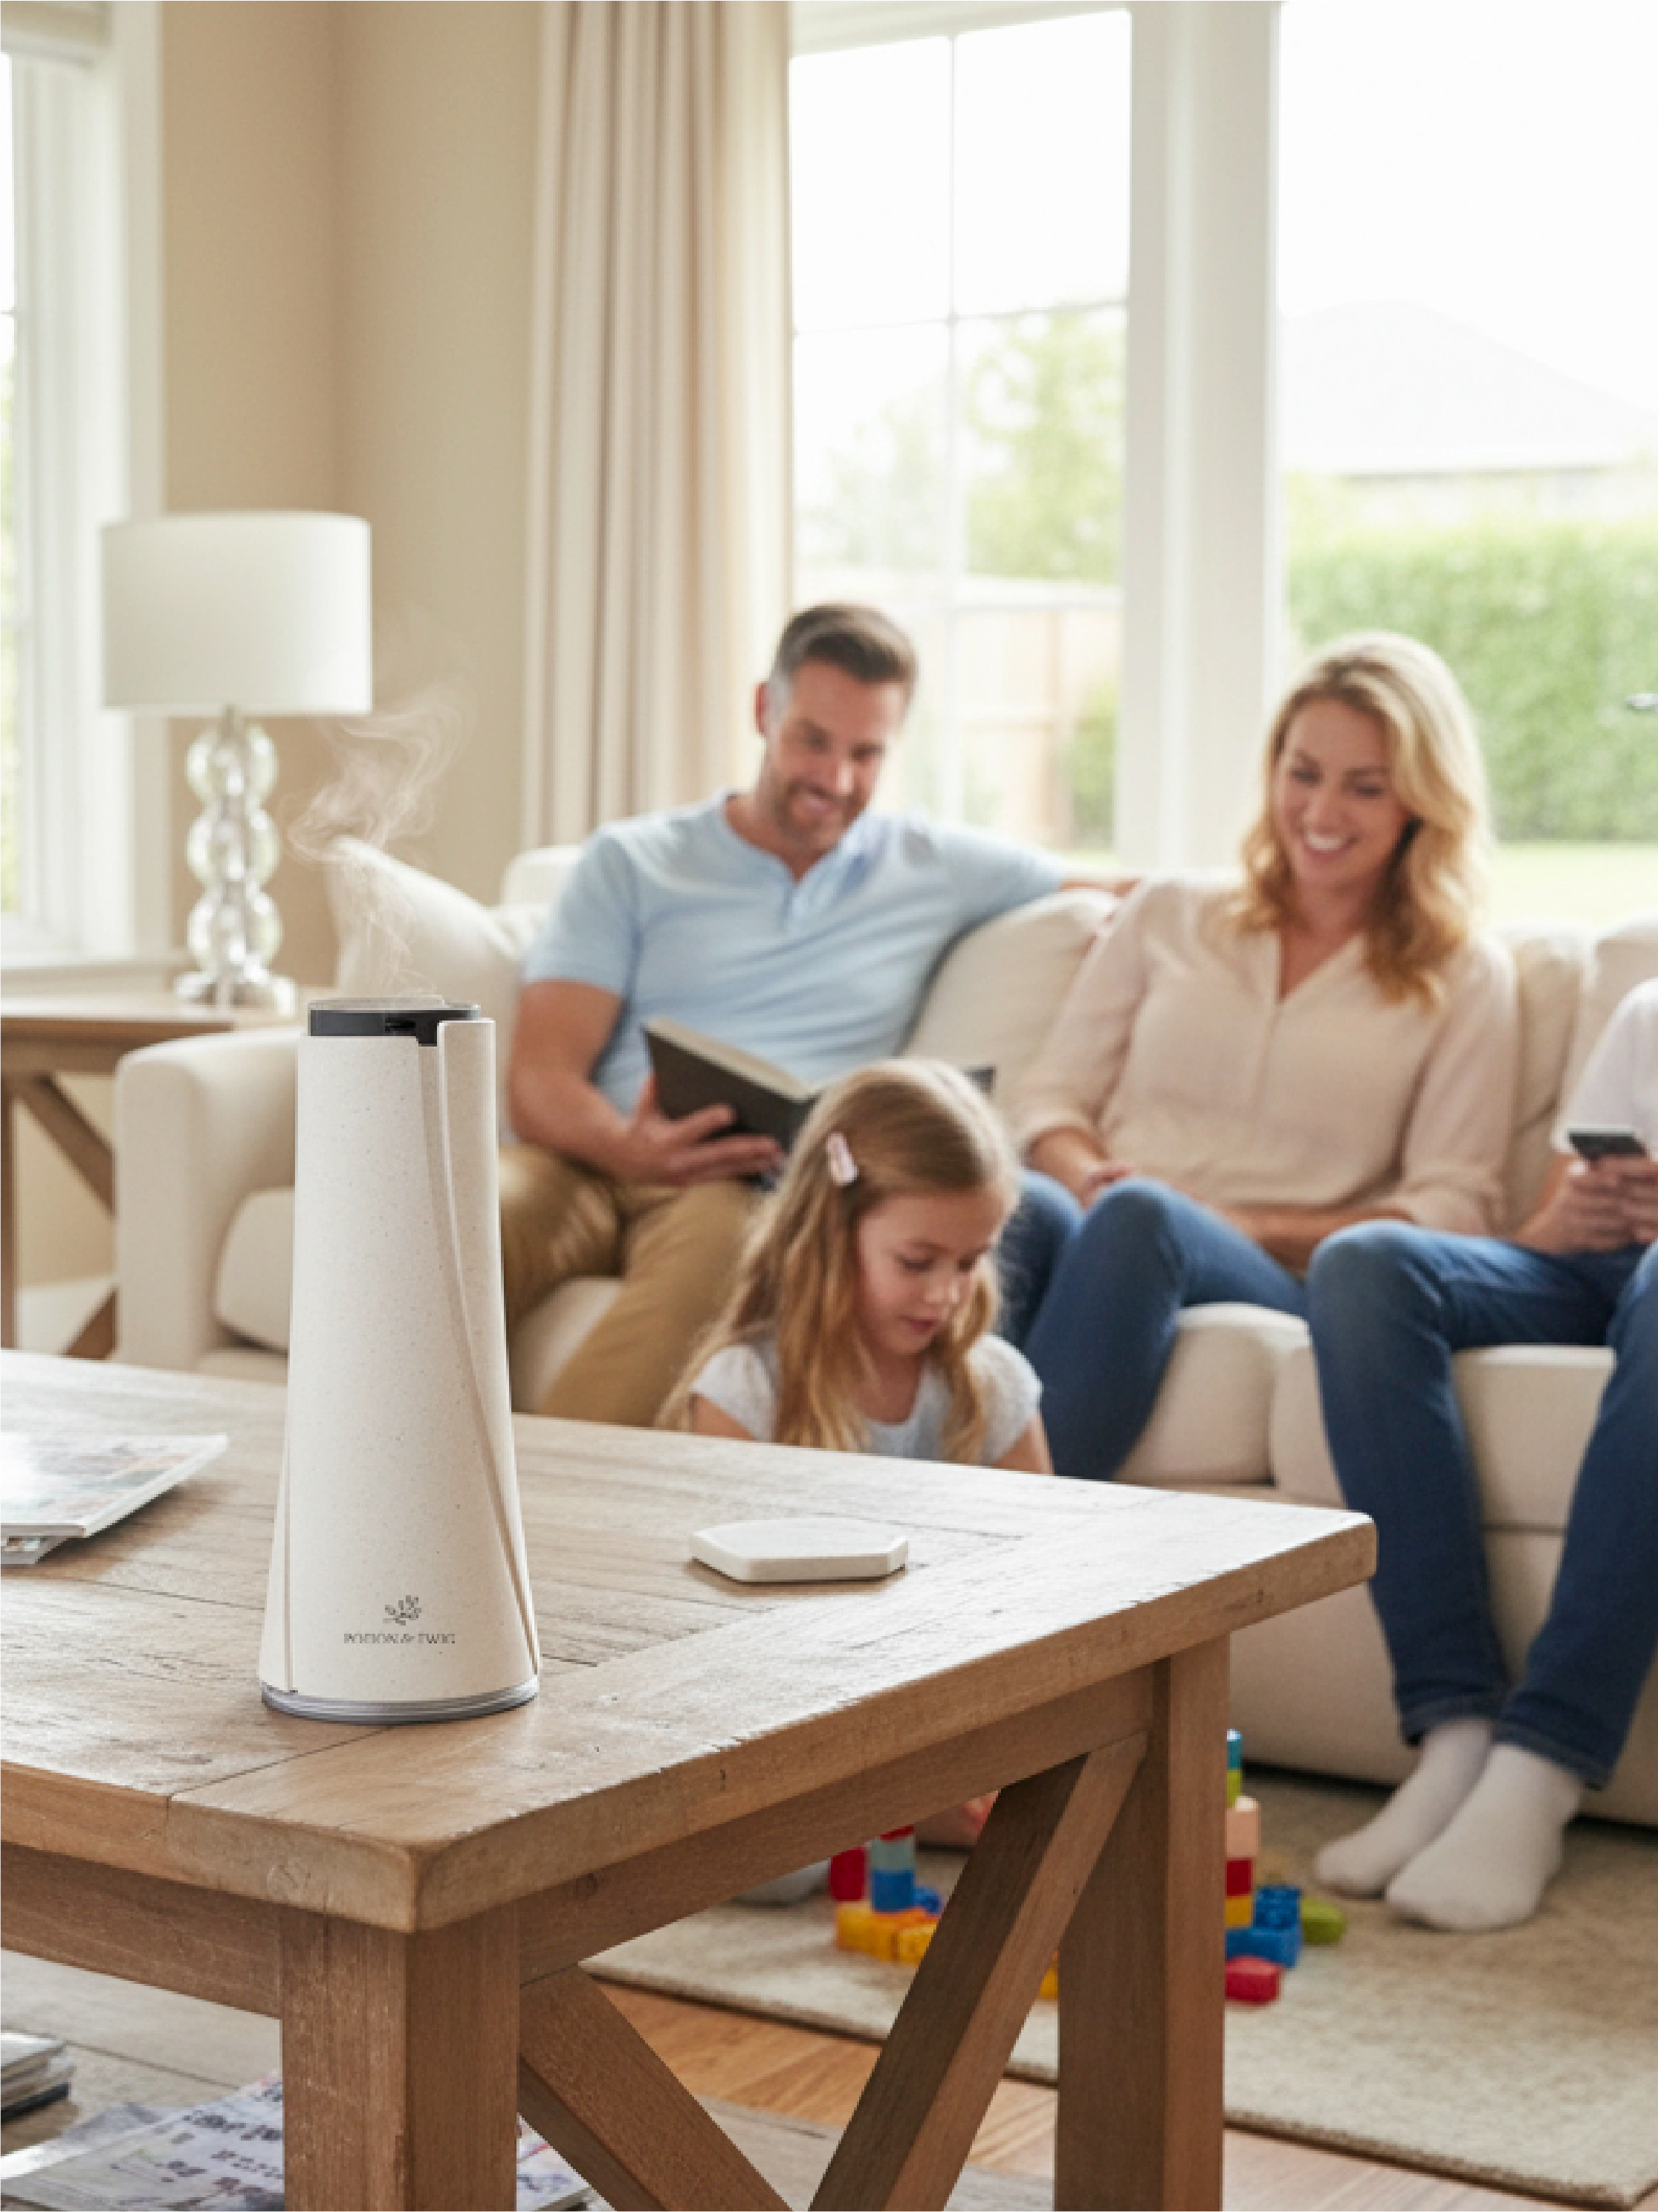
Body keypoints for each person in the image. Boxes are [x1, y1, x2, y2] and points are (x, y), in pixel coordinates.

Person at [502, 603, 1072, 1430]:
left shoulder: (934, 866)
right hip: (587, 1159)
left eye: (865, 754)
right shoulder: (634, 861)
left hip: (739, 1183)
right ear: (763, 711)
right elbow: (539, 1076)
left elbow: (1131, 899)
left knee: (725, 1252)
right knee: (446, 1213)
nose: (835, 780)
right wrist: (628, 1147)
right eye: (812, 740)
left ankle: (546, 1519)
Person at [1011, 631, 1518, 1481]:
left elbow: (1453, 1205)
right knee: (1014, 1203)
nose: (1320, 815)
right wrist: (1091, 1174)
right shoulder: (1169, 912)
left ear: (1420, 803)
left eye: (1364, 787)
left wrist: (1243, 1225)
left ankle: (1008, 1543)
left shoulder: (1462, 977)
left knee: (1145, 1219)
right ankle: (878, 1499)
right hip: (1110, 1214)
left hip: (1270, 1268)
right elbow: (1050, 1102)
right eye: (1303, 774)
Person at [1304, 987, 1658, 1931]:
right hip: (1601, 1272)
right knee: (1364, 1266)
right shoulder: (1647, 1011)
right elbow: (1547, 1225)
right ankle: (1454, 1731)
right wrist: (1573, 1219)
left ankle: (1541, 1765)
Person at [670, 1058, 1050, 1475]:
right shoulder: (748, 1392)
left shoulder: (996, 1387)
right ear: (833, 1236)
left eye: (968, 1262)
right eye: (916, 1263)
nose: (946, 1294)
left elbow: (1044, 1538)